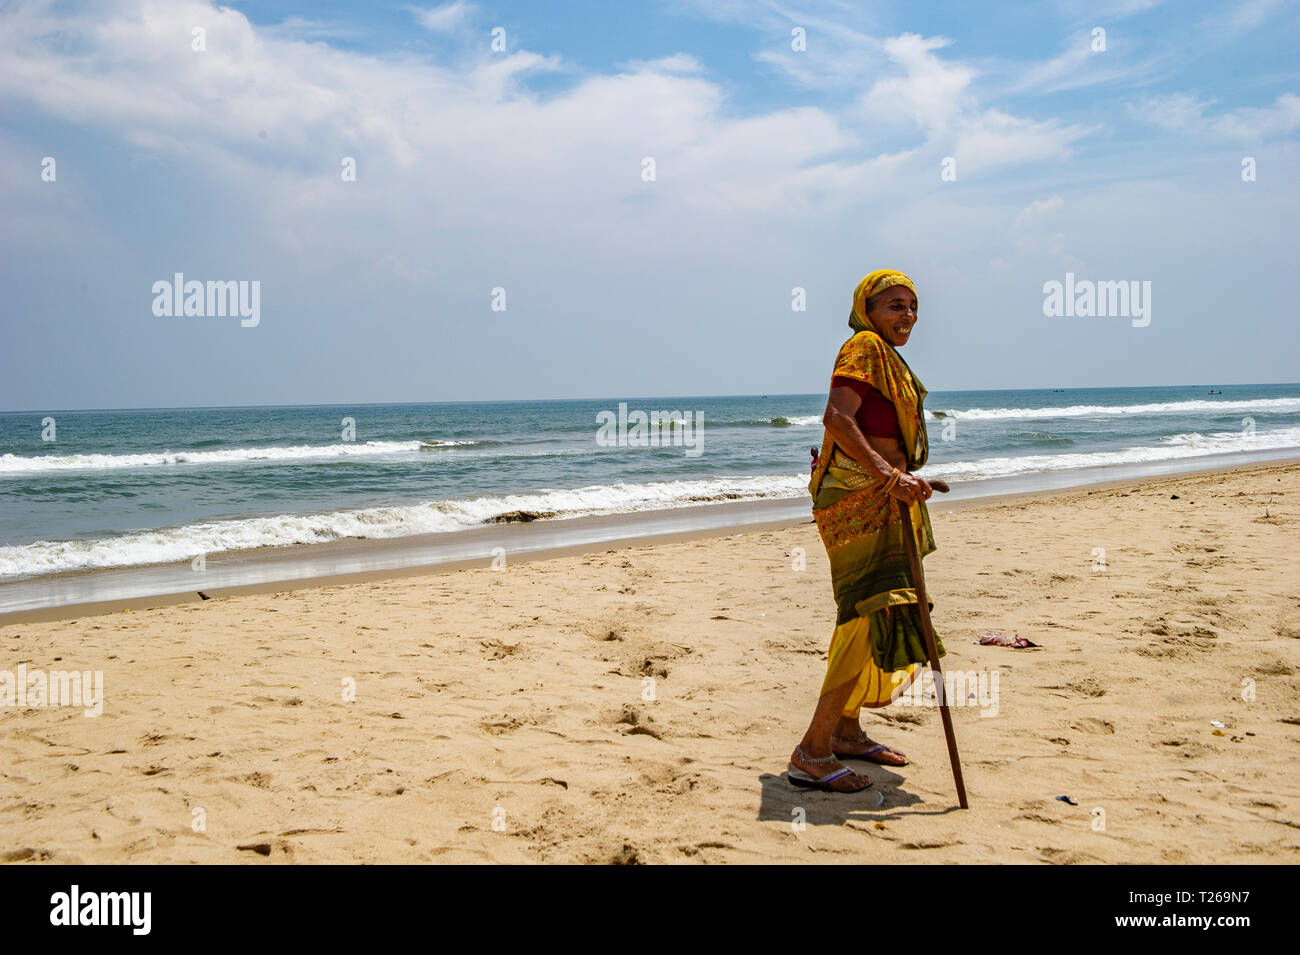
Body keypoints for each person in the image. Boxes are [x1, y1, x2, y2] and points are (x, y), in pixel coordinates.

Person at [788, 269, 944, 793]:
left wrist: (902, 480)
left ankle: (848, 733)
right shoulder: (863, 347)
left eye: (913, 306)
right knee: (862, 612)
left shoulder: (885, 355)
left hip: (884, 492)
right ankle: (812, 751)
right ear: (868, 310)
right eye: (895, 306)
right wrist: (889, 476)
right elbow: (837, 418)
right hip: (859, 497)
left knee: (878, 608)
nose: (908, 316)